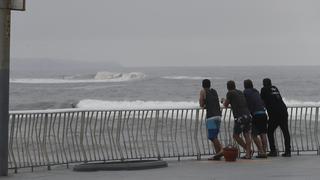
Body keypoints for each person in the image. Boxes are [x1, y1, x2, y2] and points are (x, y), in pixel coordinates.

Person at [261, 78, 291, 157]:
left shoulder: (264, 89)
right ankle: (288, 151)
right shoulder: (275, 88)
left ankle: (273, 151)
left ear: (264, 84)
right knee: (285, 132)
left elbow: (262, 100)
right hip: (283, 111)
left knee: (270, 131)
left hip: (274, 113)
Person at [222, 80, 252, 159]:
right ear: (234, 86)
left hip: (240, 116)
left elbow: (225, 104)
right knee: (246, 135)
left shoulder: (230, 93)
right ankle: (248, 154)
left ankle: (247, 149)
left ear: (227, 87)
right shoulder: (240, 92)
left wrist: (223, 101)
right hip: (248, 115)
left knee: (235, 135)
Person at [199, 79, 224, 160]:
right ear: (210, 85)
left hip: (211, 117)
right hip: (218, 116)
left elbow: (201, 104)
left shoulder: (203, 91)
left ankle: (222, 149)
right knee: (215, 136)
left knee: (212, 136)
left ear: (203, 85)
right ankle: (217, 155)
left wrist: (202, 101)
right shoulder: (214, 91)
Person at [243, 79, 267, 158]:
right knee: (263, 134)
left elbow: (244, 102)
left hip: (256, 114)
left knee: (254, 135)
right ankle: (264, 152)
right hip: (263, 113)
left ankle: (261, 151)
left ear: (245, 85)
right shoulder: (256, 91)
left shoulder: (245, 92)